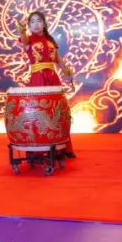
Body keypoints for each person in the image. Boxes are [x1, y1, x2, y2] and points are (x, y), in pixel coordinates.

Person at [16, 11, 76, 157]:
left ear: (44, 23)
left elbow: (58, 60)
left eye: (39, 21)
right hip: (38, 79)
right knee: (40, 112)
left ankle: (61, 148)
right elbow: (24, 41)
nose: (36, 24)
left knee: (58, 111)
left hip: (53, 78)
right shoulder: (28, 40)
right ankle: (40, 149)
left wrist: (67, 71)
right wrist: (22, 31)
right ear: (28, 26)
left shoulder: (50, 41)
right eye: (32, 22)